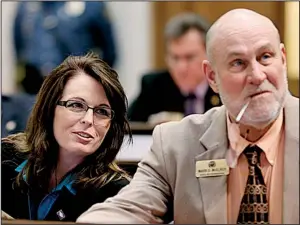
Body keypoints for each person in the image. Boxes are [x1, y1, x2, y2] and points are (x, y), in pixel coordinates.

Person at [76, 9, 299, 224]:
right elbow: (128, 209)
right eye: (238, 63)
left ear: (283, 58)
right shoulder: (176, 145)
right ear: (212, 77)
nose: (257, 76)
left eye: (266, 57)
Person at [2, 53, 132, 222]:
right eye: (76, 105)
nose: (88, 120)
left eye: (102, 111)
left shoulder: (117, 194)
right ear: (49, 108)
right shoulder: (5, 158)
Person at [128, 13, 222, 124]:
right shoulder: (154, 86)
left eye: (189, 57)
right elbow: (125, 128)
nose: (181, 68)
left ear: (208, 55)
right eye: (175, 58)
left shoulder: (222, 86)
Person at [14, 1, 117, 94]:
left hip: (75, 86)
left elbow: (109, 52)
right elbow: (19, 49)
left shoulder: (91, 5)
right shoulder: (26, 6)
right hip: (34, 87)